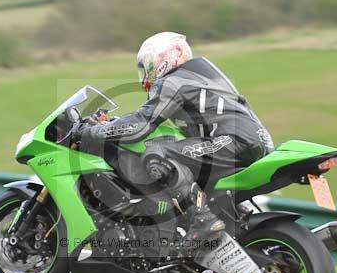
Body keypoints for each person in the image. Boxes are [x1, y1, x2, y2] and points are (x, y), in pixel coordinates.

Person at [75, 32, 274, 240]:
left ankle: (203, 219)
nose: (144, 74)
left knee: (157, 154)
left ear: (161, 59)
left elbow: (141, 125)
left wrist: (89, 132)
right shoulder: (196, 76)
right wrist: (111, 124)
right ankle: (233, 221)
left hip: (234, 140)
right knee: (185, 162)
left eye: (145, 67)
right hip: (250, 139)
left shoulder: (174, 81)